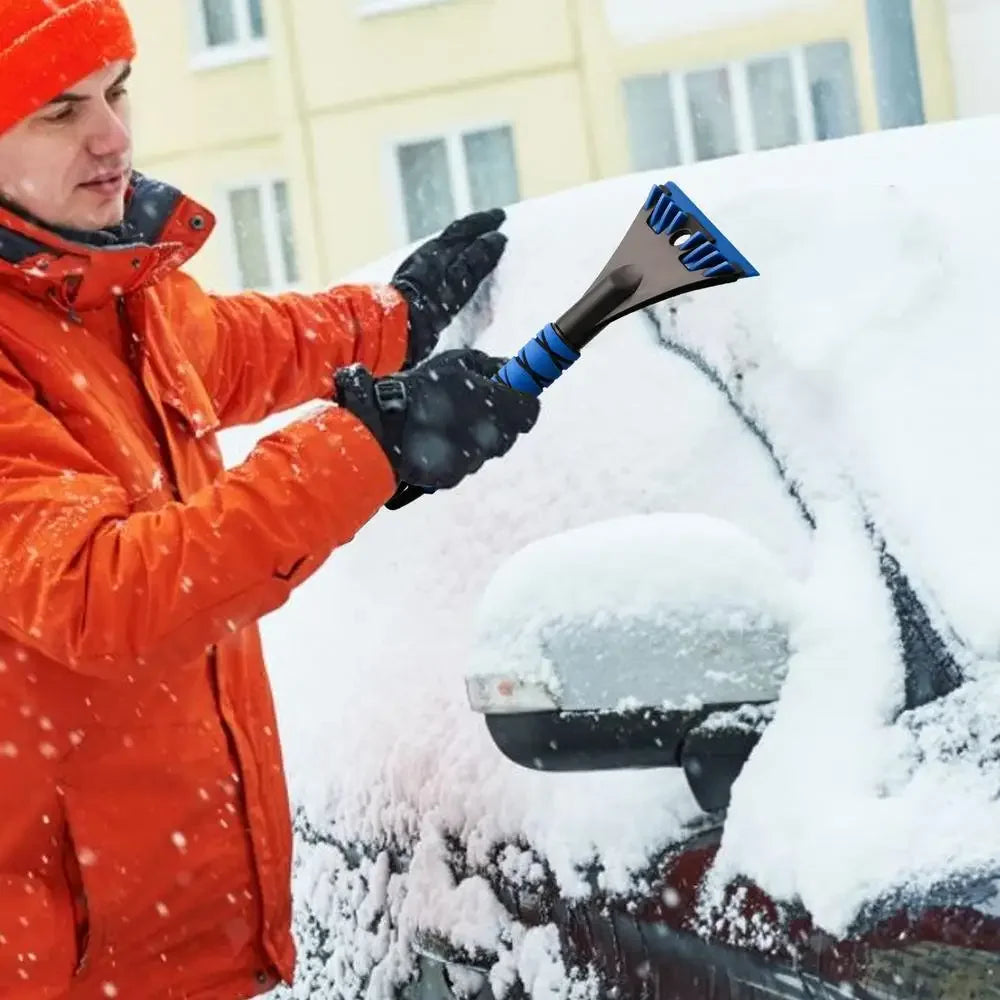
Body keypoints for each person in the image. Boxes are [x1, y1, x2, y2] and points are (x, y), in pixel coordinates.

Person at [0, 1, 539, 997]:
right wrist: (375, 443)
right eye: (59, 110)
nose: (112, 136)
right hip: (70, 968)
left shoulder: (112, 287)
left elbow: (238, 347)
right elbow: (103, 591)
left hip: (185, 944)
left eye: (117, 92)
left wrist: (390, 321)